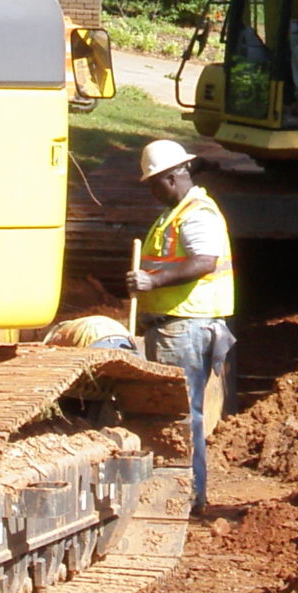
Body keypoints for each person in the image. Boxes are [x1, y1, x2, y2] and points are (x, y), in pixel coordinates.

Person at [123, 139, 236, 514]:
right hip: (174, 326)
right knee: (181, 413)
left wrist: (153, 282)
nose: (152, 191)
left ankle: (185, 496)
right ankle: (185, 494)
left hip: (186, 327)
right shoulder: (174, 214)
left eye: (153, 183)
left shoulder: (196, 214)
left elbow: (204, 261)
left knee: (181, 414)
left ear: (170, 178)